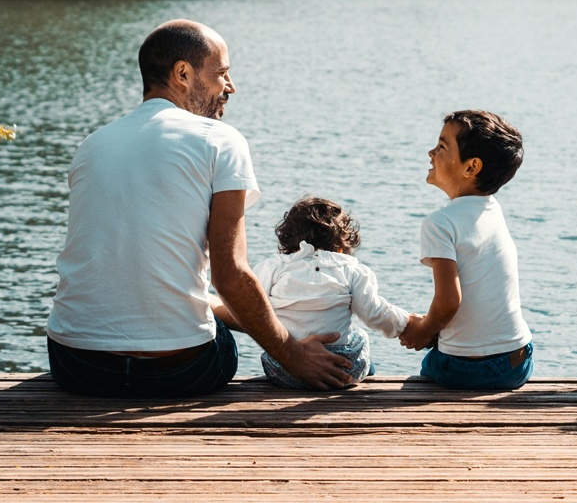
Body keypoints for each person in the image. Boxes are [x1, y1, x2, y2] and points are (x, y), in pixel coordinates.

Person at [46, 20, 352, 397]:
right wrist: (293, 354)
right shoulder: (219, 140)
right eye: (221, 73)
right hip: (177, 371)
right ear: (183, 73)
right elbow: (231, 276)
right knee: (221, 335)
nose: (230, 86)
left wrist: (271, 317)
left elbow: (133, 270)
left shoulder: (92, 144)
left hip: (76, 366)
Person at [213, 196, 411, 389]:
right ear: (342, 245)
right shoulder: (352, 270)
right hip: (342, 367)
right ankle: (364, 373)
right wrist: (407, 323)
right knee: (359, 335)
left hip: (286, 370)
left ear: (287, 238)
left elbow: (251, 305)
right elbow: (374, 314)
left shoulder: (273, 267)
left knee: (270, 345)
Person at [398, 110, 533, 390]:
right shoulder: (493, 210)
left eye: (442, 146)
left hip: (467, 369)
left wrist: (423, 332)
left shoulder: (440, 223)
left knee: (431, 365)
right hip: (518, 361)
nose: (431, 153)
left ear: (471, 167)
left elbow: (449, 301)